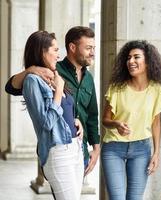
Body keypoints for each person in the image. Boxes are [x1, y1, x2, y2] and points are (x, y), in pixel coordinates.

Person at [5, 26, 100, 175]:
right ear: (73, 47)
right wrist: (31, 69)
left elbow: (92, 115)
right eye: (88, 48)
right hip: (60, 150)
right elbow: (11, 87)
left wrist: (96, 147)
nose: (93, 52)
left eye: (93, 48)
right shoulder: (53, 71)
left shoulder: (88, 78)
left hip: (81, 151)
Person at [101, 40, 161, 200]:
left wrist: (156, 152)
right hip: (113, 148)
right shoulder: (117, 88)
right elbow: (105, 120)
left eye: (136, 57)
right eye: (129, 58)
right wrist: (116, 124)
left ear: (148, 62)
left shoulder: (157, 89)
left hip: (141, 150)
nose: (131, 61)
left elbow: (156, 122)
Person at [22, 31, 84, 200]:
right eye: (55, 50)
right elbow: (45, 124)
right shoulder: (31, 81)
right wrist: (58, 92)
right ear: (42, 51)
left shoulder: (53, 76)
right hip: (58, 151)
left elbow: (64, 110)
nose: (59, 55)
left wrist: (76, 121)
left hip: (75, 148)